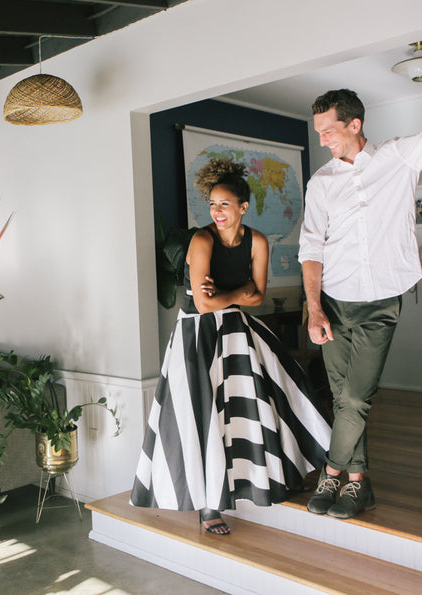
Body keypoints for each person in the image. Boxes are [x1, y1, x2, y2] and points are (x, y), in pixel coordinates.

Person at [298, 53, 422, 520]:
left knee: (356, 396)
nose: (323, 138)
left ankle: (332, 472)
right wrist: (313, 309)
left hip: (378, 303)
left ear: (354, 124)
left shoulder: (396, 158)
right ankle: (357, 486)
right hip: (330, 302)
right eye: (318, 132)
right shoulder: (321, 182)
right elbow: (311, 248)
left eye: (328, 129)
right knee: (341, 397)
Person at [131, 159, 331, 535]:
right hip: (196, 338)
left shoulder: (257, 241)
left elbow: (260, 298)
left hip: (239, 333)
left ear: (243, 207)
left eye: (225, 204)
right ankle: (208, 507)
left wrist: (230, 295)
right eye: (212, 205)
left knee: (256, 406)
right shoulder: (201, 240)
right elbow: (207, 305)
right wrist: (239, 292)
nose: (217, 212)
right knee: (202, 417)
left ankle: (268, 478)